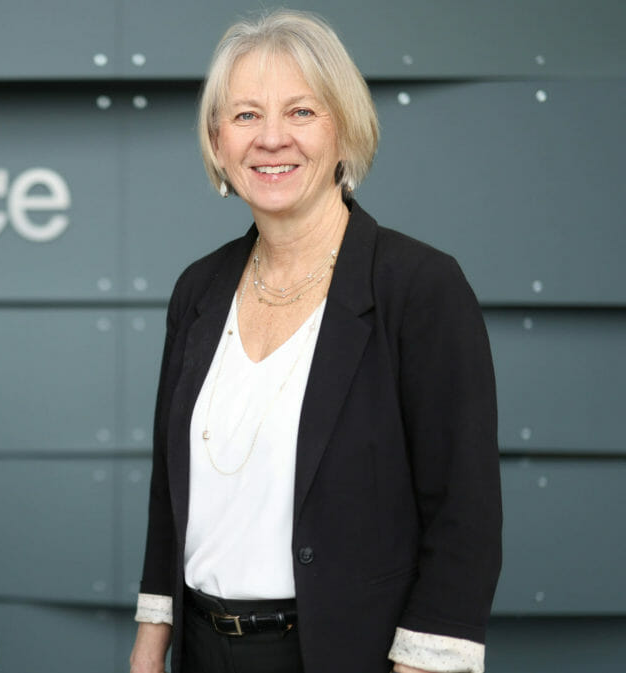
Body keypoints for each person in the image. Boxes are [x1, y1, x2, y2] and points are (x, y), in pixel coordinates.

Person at [129, 9, 501, 673]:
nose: (271, 138)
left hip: (346, 654)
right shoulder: (198, 290)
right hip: (202, 650)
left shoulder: (418, 287)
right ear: (216, 141)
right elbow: (171, 489)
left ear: (343, 130)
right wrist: (151, 639)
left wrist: (424, 665)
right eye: (245, 116)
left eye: (300, 112)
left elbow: (463, 514)